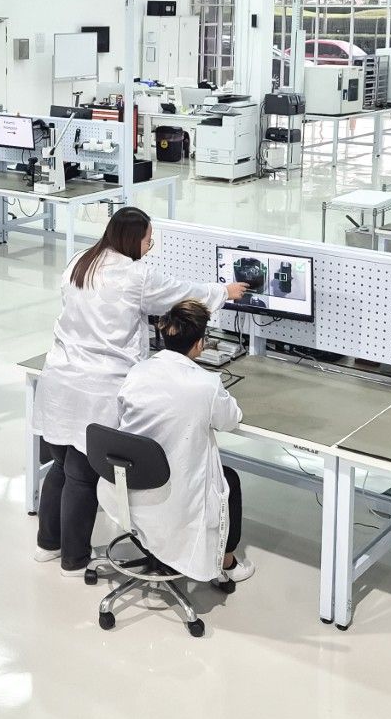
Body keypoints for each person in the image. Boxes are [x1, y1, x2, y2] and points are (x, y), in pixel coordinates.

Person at [32, 207, 247, 574]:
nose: (151, 245)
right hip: (97, 388)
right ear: (132, 240)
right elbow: (180, 293)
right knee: (81, 474)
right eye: (148, 239)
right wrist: (223, 291)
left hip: (59, 380)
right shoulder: (135, 276)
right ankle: (74, 560)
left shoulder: (79, 262)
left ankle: (48, 544)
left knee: (61, 466)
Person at [100, 299, 255, 584]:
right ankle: (227, 563)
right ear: (200, 344)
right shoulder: (206, 385)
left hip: (126, 484)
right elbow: (230, 419)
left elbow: (122, 418)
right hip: (171, 496)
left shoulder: (137, 372)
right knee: (229, 479)